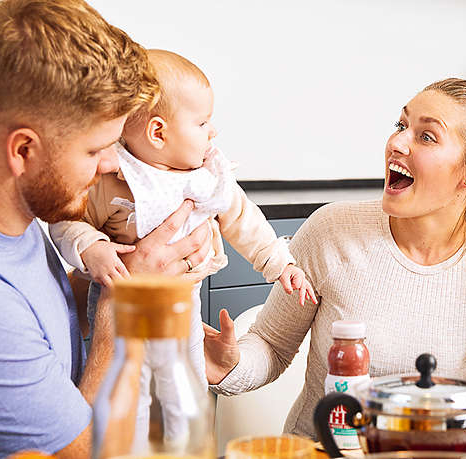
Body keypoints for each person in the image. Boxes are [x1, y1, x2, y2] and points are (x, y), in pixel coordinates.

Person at [0, 1, 212, 457]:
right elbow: (76, 455)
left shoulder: (2, 221)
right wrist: (127, 303)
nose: (113, 164)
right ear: (23, 151)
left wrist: (121, 273)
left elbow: (30, 320)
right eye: (96, 150)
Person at [202, 78, 466, 439]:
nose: (397, 142)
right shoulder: (332, 231)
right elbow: (271, 345)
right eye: (401, 125)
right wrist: (229, 366)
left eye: (427, 136)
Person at [49, 49, 316, 445]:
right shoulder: (115, 177)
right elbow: (67, 222)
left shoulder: (208, 176)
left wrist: (281, 264)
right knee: (129, 395)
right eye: (203, 122)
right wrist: (92, 248)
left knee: (186, 394)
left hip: (184, 305)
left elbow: (244, 220)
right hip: (120, 309)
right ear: (159, 133)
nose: (213, 132)